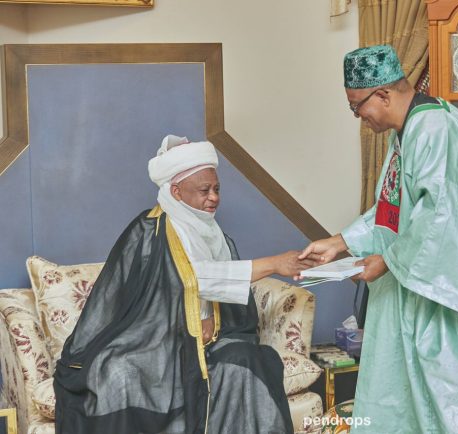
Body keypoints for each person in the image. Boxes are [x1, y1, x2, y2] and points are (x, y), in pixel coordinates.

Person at [298, 45, 458, 433]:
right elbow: (393, 209)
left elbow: (440, 217)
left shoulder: (433, 130)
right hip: (442, 294)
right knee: (435, 400)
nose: (358, 117)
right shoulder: (409, 132)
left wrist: (385, 261)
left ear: (383, 94)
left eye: (357, 106)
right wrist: (340, 242)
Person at [54, 135, 313, 434]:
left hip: (210, 341)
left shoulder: (213, 231)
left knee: (249, 361)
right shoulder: (148, 230)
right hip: (152, 339)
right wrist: (274, 263)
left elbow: (215, 288)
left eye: (217, 189)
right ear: (176, 192)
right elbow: (195, 278)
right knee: (115, 372)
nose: (213, 198)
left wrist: (209, 323)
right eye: (204, 190)